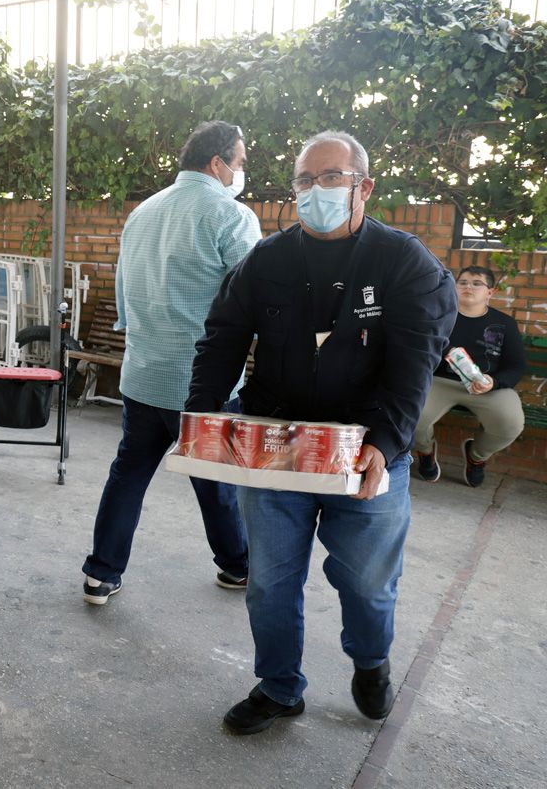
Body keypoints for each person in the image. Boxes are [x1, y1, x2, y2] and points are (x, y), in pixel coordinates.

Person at [187, 131, 456, 734]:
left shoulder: (405, 264)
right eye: (304, 181)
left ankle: (370, 659)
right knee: (270, 582)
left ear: (364, 186)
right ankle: (280, 686)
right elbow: (224, 334)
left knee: (365, 580)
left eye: (330, 178)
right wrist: (203, 411)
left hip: (364, 450)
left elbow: (415, 368)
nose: (315, 191)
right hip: (277, 447)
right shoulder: (269, 259)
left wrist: (383, 447)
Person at [80, 120, 259, 605]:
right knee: (215, 480)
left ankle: (100, 574)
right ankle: (237, 566)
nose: (242, 172)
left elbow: (122, 294)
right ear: (217, 162)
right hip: (205, 383)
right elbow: (255, 299)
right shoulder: (231, 216)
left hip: (141, 375)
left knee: (128, 474)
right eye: (239, 162)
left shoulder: (143, 212)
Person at [413, 265, 527, 487]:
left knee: (511, 424)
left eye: (477, 283)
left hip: (487, 385)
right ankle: (426, 452)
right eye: (463, 282)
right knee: (412, 414)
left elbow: (516, 366)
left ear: (490, 292)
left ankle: (476, 456)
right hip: (439, 381)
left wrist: (494, 383)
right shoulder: (438, 316)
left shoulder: (504, 324)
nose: (468, 287)